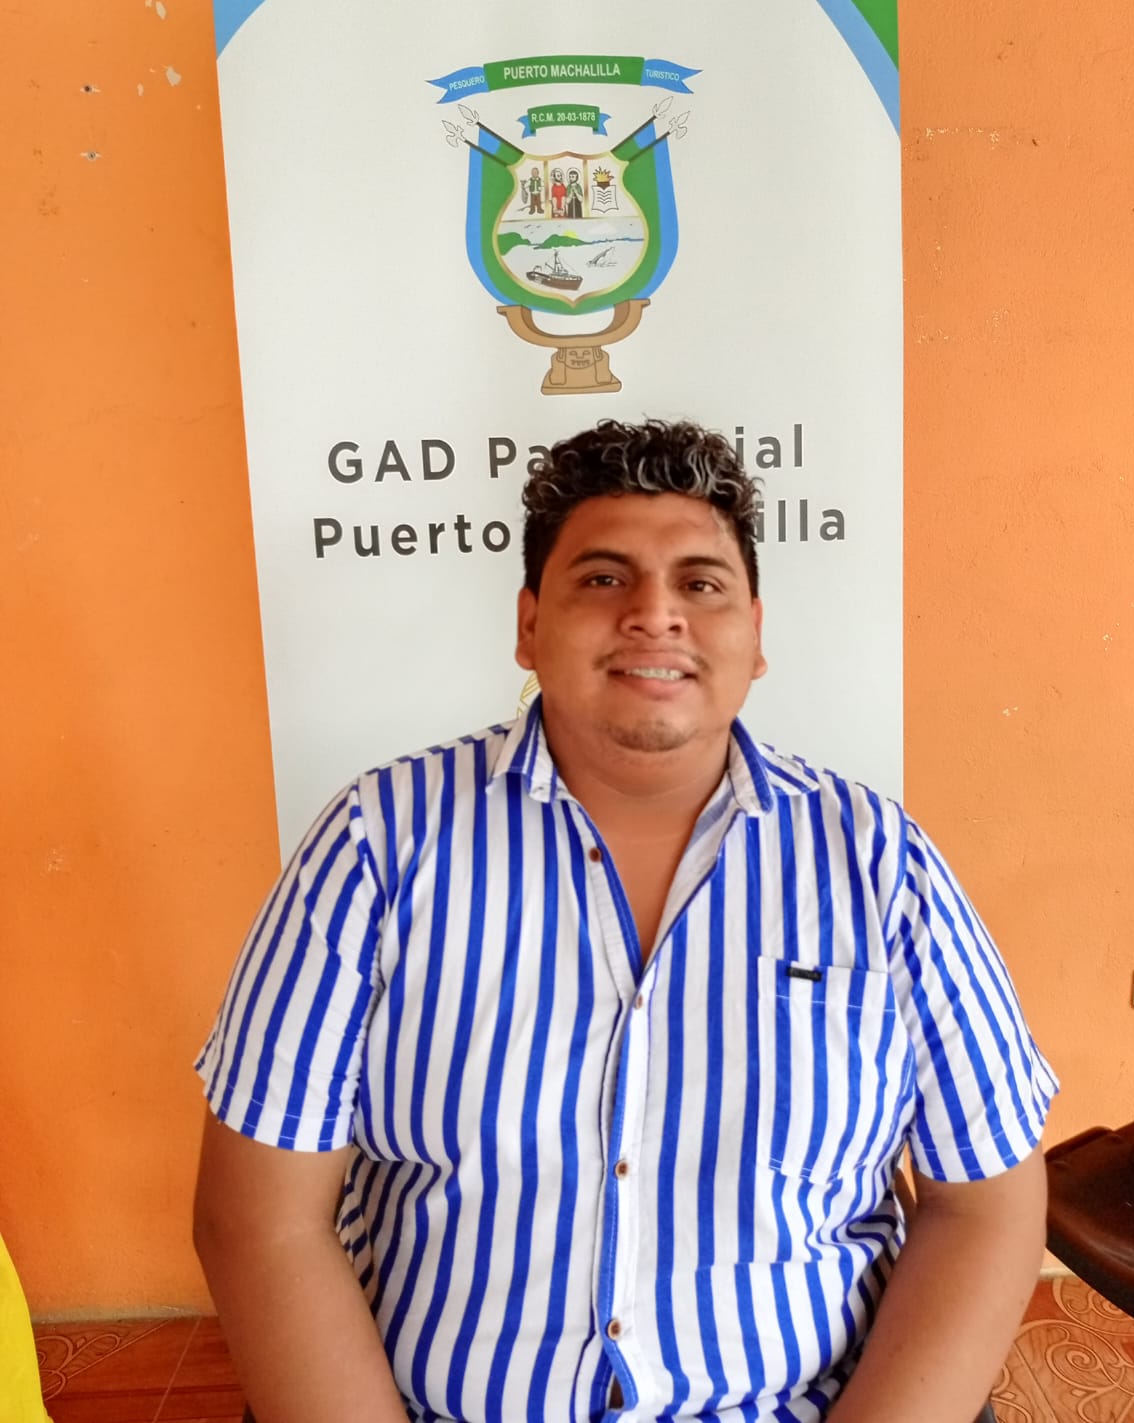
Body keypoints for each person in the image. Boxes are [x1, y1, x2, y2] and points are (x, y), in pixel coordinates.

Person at [193, 419, 1056, 1423]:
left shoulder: (878, 863)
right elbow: (260, 1221)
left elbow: (984, 1206)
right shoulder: (376, 844)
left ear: (755, 636)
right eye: (603, 578)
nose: (654, 613)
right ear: (529, 627)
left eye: (701, 582)